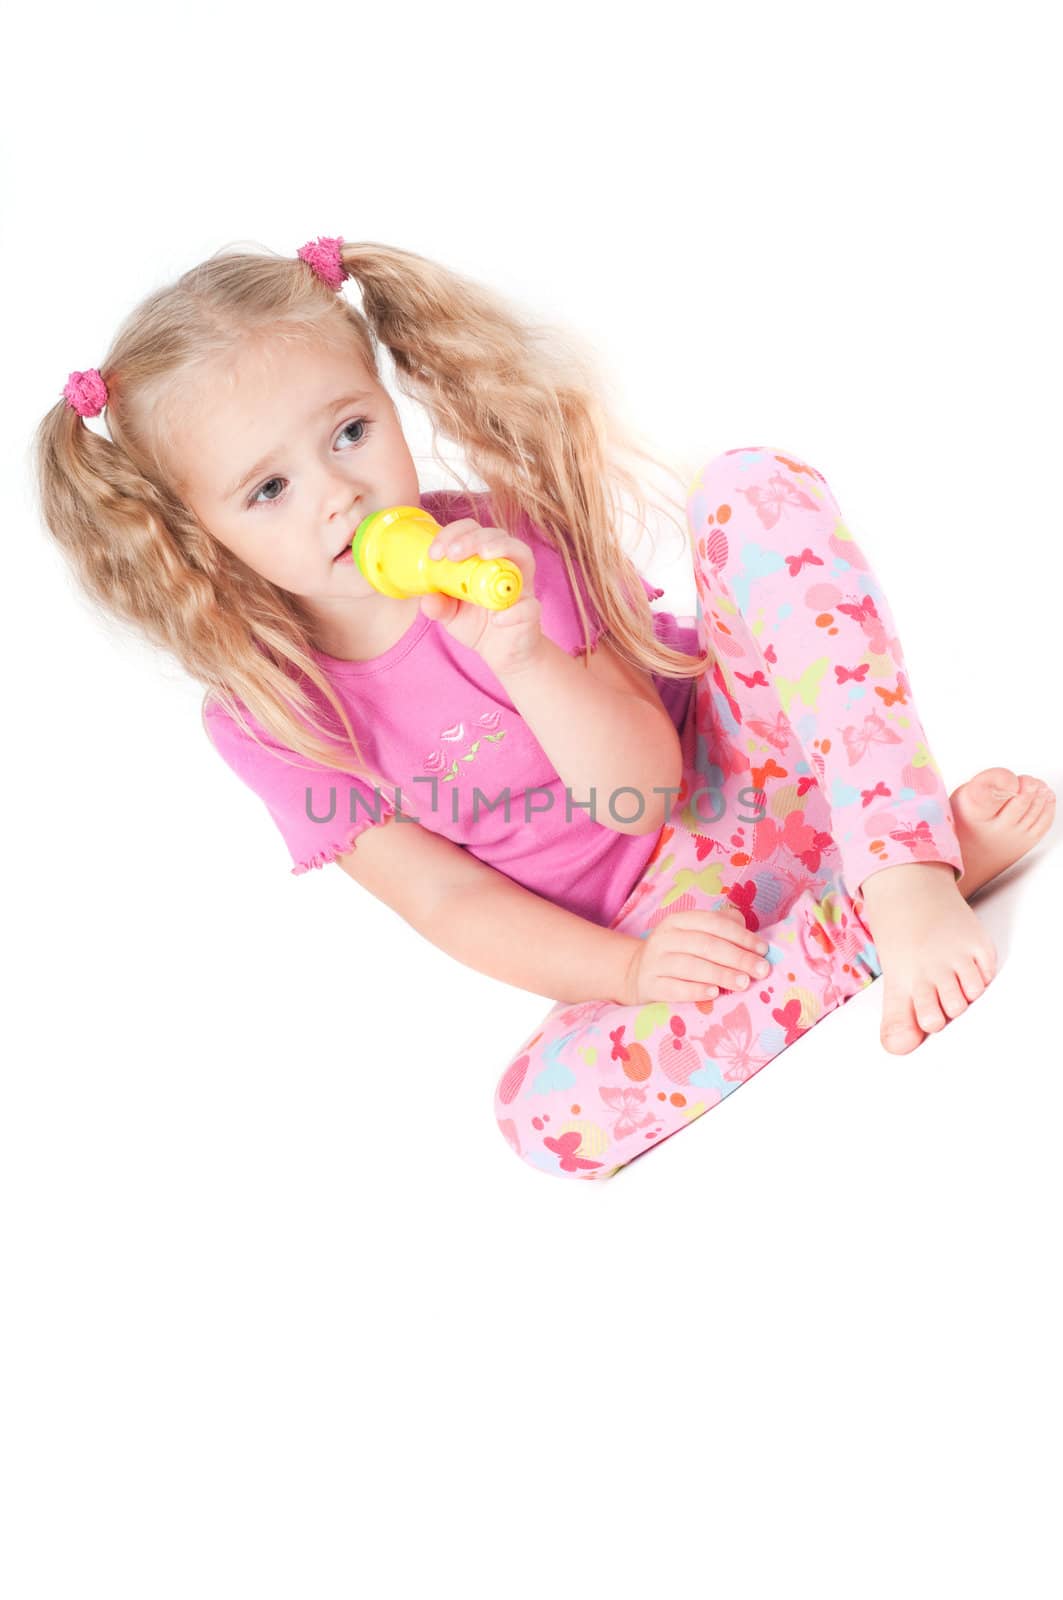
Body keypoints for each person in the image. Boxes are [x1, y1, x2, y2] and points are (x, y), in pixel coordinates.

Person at [34, 234, 1055, 1182]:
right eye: (269, 490)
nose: (337, 494)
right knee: (545, 1117)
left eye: (350, 432)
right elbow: (448, 902)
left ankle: (901, 863)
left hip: (750, 767)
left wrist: (525, 656)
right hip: (670, 926)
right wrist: (631, 969)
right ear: (199, 534)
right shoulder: (269, 715)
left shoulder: (498, 544)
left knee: (752, 489)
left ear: (388, 404)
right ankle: (851, 925)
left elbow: (645, 790)